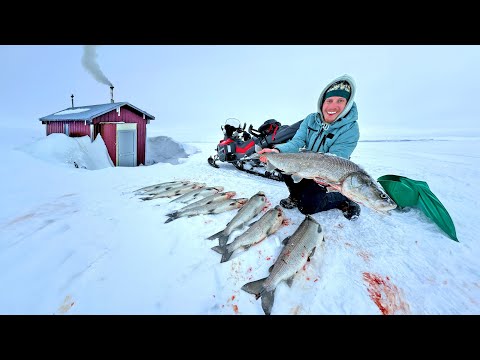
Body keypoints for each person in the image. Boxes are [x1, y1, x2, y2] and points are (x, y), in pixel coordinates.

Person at [257, 74, 361, 220]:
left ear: (347, 103)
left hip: (326, 172)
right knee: (285, 166)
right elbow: (297, 142)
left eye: (340, 101)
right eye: (329, 100)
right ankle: (294, 196)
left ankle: (343, 198)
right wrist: (277, 151)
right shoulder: (311, 119)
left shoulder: (350, 129)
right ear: (322, 102)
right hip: (306, 163)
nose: (332, 106)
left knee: (308, 207)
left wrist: (323, 178)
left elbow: (337, 158)